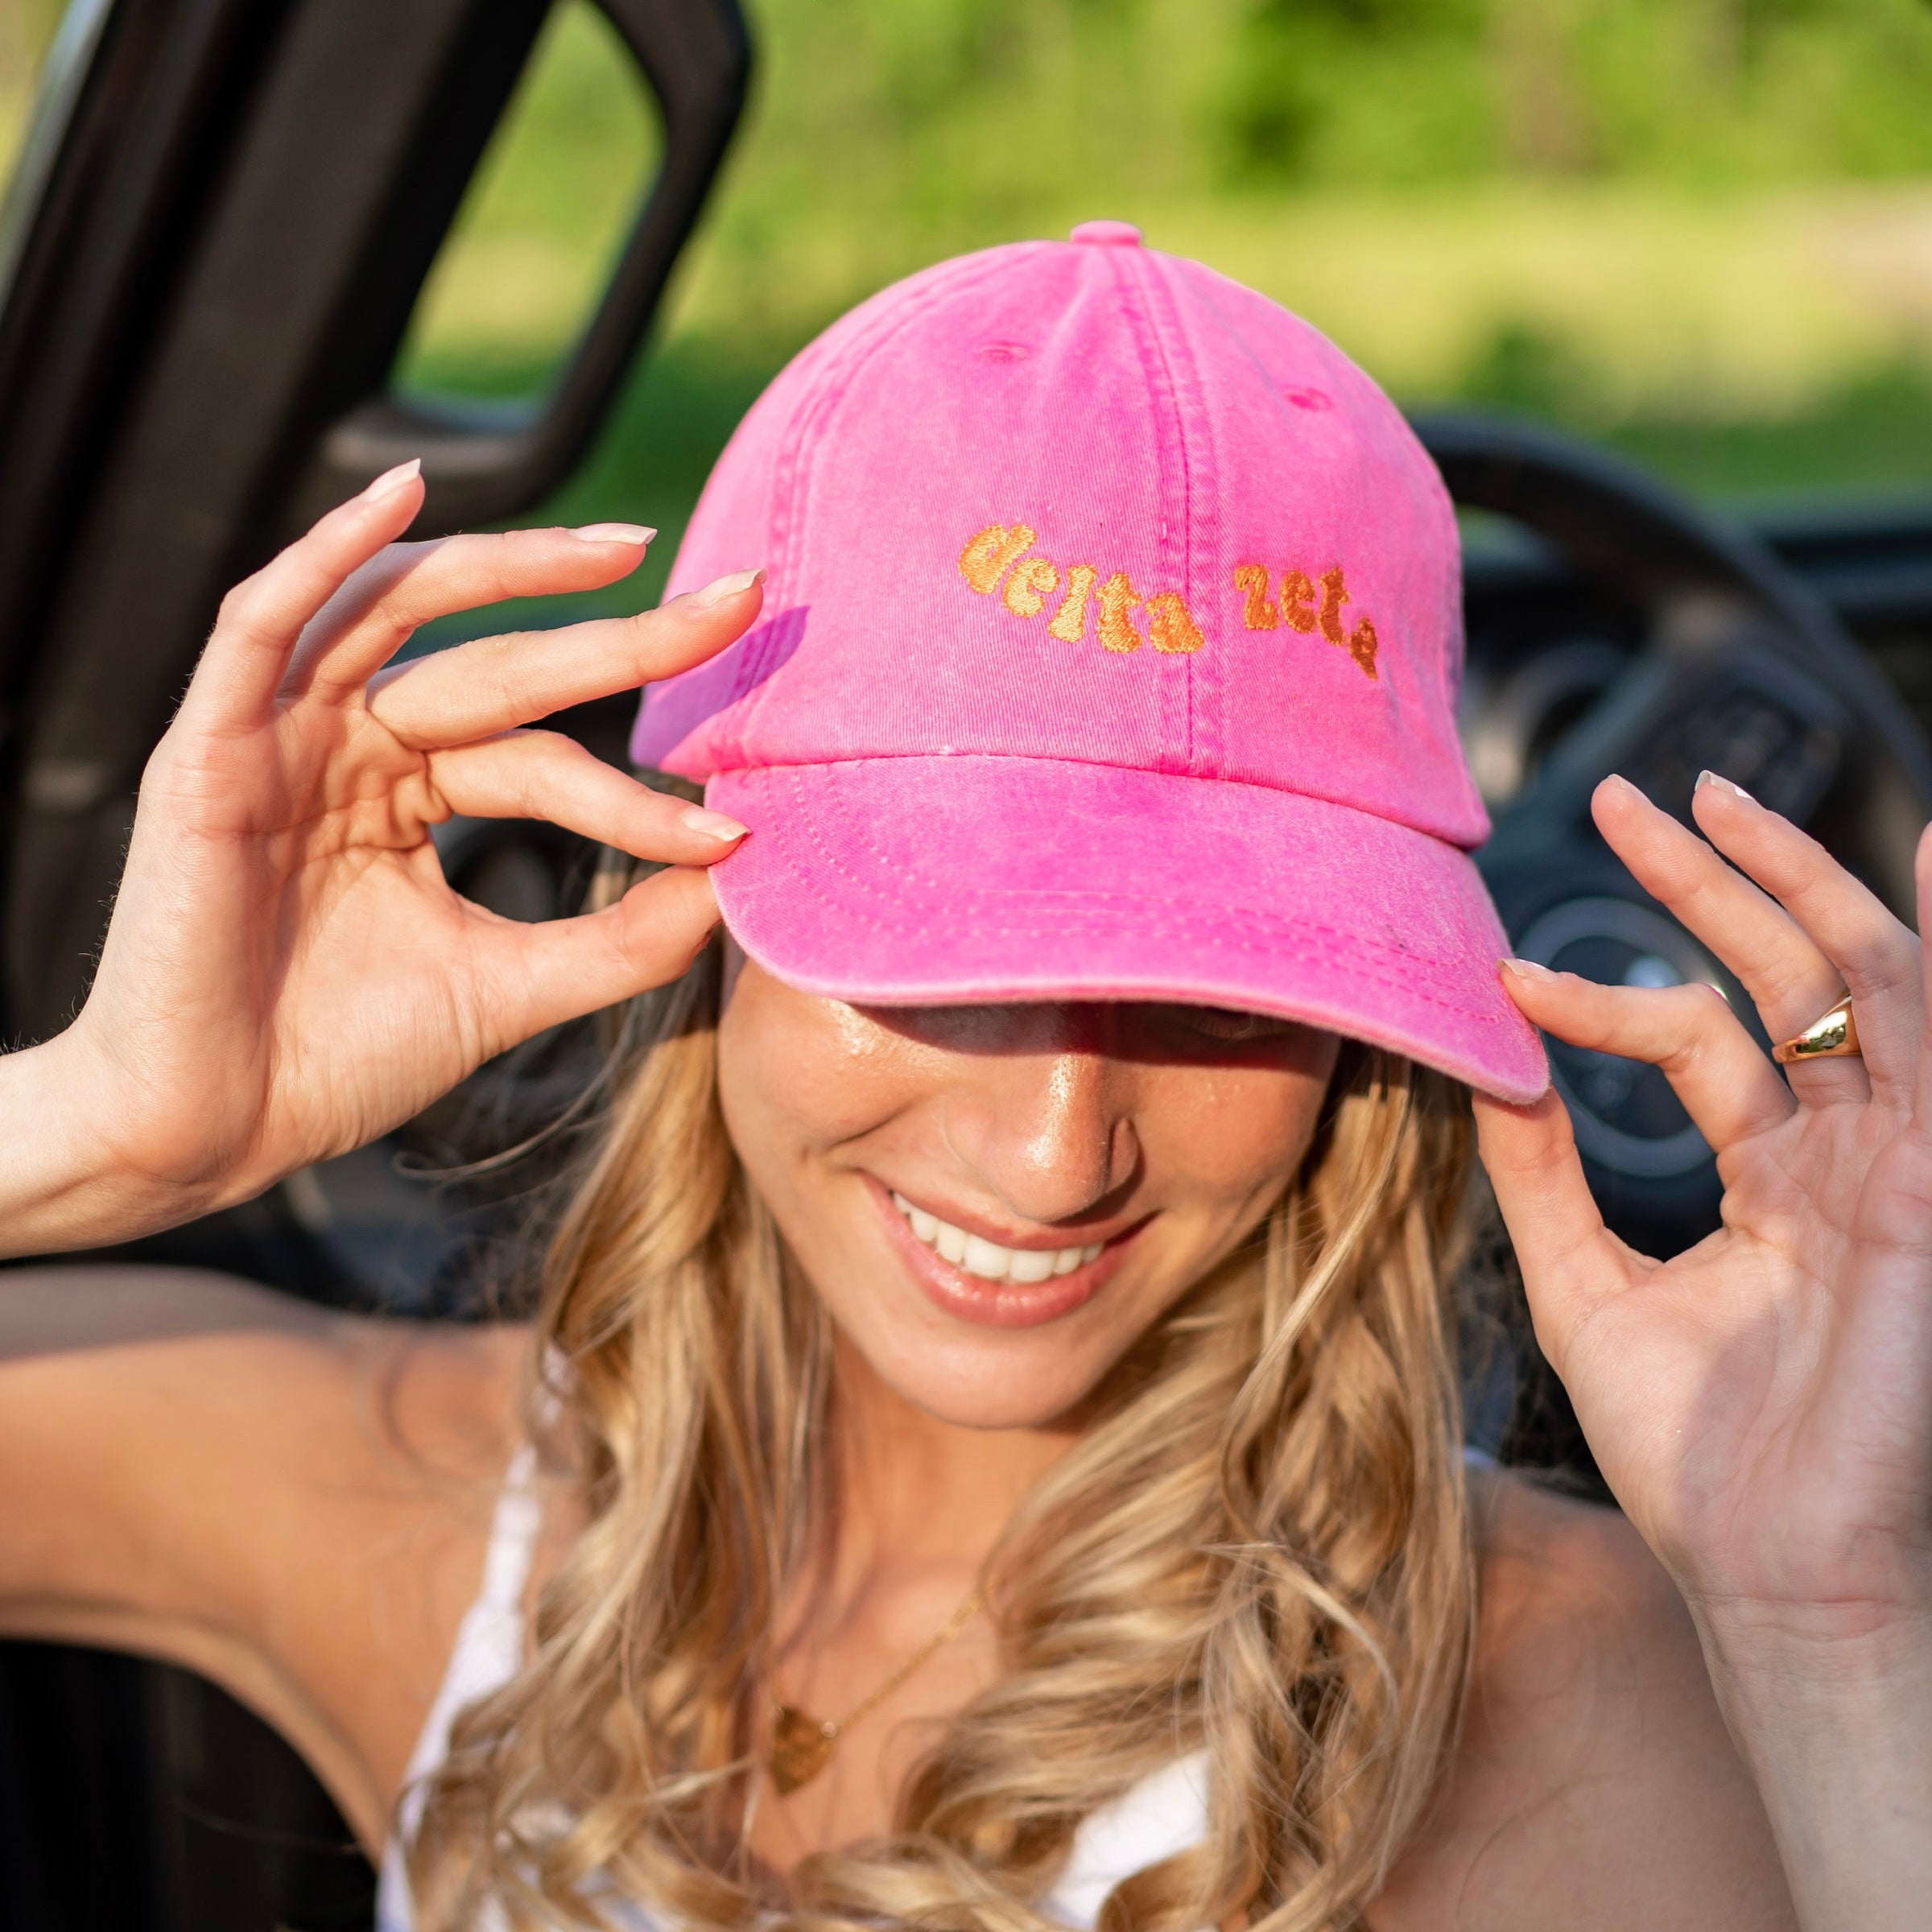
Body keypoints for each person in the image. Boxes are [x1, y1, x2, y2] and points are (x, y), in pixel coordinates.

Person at [2, 225, 1926, 1932]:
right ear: (682, 886)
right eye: (943, 960)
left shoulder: (1534, 1694)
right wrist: (93, 1128)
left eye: (1222, 995)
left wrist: (1837, 1646)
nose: (1053, 1144)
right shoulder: (422, 1512)